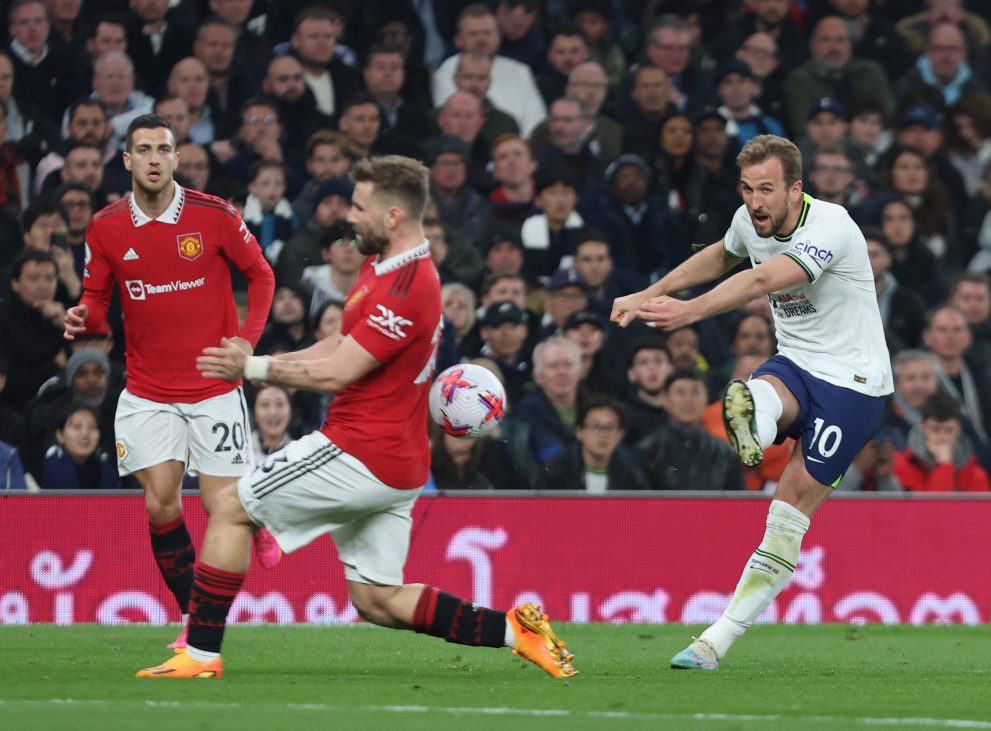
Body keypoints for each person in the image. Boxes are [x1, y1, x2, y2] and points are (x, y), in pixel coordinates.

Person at [135, 155, 577, 680]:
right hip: (396, 462)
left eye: (360, 207)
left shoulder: (410, 286)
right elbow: (342, 340)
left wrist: (253, 366)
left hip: (362, 450)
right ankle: (517, 631)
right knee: (378, 600)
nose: (351, 217)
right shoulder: (382, 264)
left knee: (231, 507)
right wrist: (263, 365)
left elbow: (340, 373)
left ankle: (200, 653)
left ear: (392, 216)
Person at [611, 134, 892, 669]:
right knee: (754, 393)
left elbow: (763, 277)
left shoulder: (831, 227)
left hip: (854, 386)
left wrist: (687, 313)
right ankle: (754, 429)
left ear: (795, 189)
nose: (755, 201)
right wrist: (648, 295)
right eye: (746, 188)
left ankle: (717, 639)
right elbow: (721, 254)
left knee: (786, 516)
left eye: (766, 189)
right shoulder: (748, 220)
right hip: (797, 364)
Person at [62, 114, 278, 651]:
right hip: (147, 390)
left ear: (177, 157)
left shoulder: (215, 215)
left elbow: (262, 275)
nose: (155, 158)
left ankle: (255, 510)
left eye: (164, 148)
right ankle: (194, 619)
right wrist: (82, 317)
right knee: (161, 504)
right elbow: (97, 299)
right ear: (127, 160)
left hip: (213, 387)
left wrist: (247, 343)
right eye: (144, 149)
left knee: (222, 509)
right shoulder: (106, 226)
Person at [892, 390, 990, 492]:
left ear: (959, 429)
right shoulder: (902, 465)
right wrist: (944, 465)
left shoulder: (976, 475)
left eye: (949, 430)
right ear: (922, 426)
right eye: (935, 429)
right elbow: (934, 507)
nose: (942, 437)